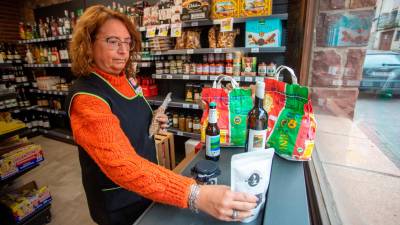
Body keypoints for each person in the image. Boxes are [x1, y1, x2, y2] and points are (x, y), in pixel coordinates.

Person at [66, 5, 258, 225]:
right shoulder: (86, 98)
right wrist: (196, 195)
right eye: (112, 42)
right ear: (89, 44)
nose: (123, 51)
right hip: (120, 202)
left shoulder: (125, 79)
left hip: (149, 187)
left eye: (127, 42)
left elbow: (126, 119)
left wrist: (151, 123)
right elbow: (122, 163)